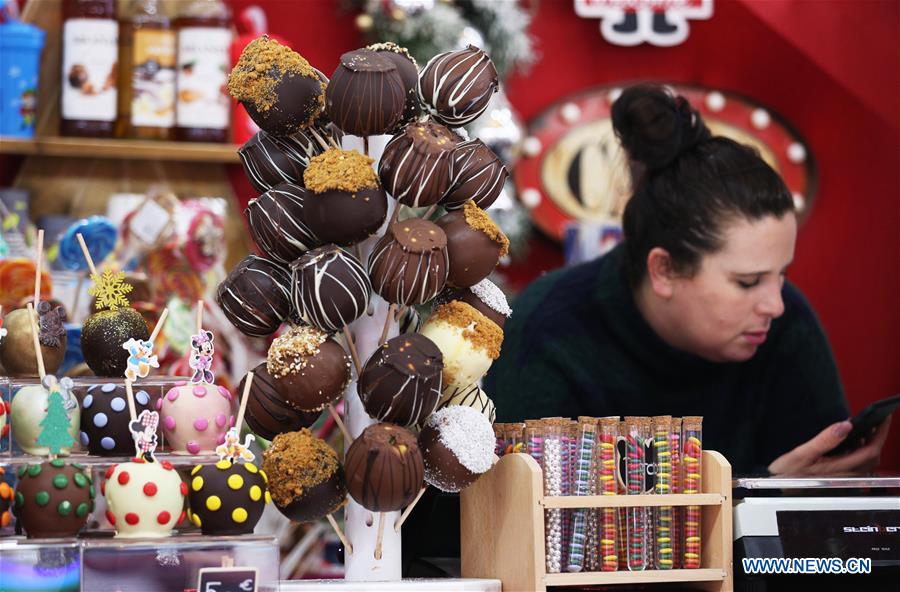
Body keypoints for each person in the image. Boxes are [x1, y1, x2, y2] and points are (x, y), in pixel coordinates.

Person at [484, 85, 890, 476]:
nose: (776, 305)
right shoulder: (547, 330)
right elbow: (531, 531)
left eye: (780, 275)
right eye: (748, 282)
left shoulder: (788, 324)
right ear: (664, 270)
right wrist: (758, 497)